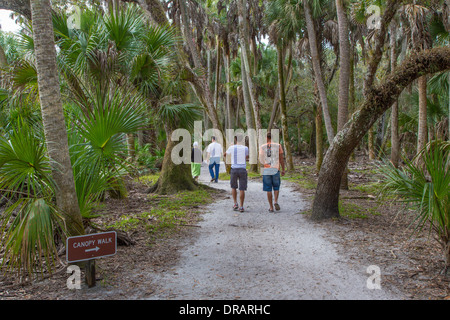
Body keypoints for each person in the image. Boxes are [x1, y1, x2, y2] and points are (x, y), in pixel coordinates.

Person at [259, 132, 285, 212]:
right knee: (276, 187)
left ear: (266, 138)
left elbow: (261, 159)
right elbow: (281, 159)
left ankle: (271, 207)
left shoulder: (263, 147)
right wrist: (283, 169)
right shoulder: (278, 146)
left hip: (267, 169)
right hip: (276, 168)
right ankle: (276, 201)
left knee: (268, 189)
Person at [224, 133, 249, 212]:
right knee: (242, 188)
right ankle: (241, 206)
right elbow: (247, 157)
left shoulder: (232, 147)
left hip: (234, 169)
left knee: (233, 187)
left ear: (235, 139)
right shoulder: (245, 148)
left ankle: (235, 203)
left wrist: (230, 147)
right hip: (242, 169)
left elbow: (225, 155)